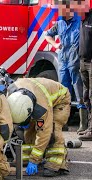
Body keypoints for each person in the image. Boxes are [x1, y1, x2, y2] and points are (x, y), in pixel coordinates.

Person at [7, 78, 71, 177]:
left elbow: (44, 133)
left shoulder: (42, 107)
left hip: (60, 100)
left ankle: (55, 164)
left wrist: (34, 160)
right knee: (29, 132)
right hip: (37, 95)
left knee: (53, 131)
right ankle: (29, 158)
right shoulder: (11, 96)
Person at [45, 0, 87, 133]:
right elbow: (47, 35)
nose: (59, 12)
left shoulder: (79, 22)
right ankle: (63, 123)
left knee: (80, 93)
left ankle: (83, 124)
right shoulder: (60, 23)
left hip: (76, 64)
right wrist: (55, 45)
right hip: (63, 63)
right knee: (64, 94)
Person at [77, 0, 92, 140]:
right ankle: (88, 128)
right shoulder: (82, 21)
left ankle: (91, 130)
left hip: (91, 63)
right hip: (83, 62)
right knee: (86, 96)